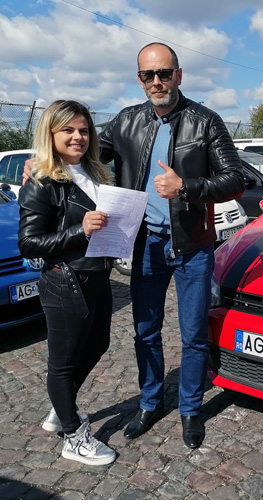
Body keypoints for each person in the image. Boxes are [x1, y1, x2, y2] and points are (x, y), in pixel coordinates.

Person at [98, 42, 244, 448]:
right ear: (139, 79)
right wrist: (48, 161)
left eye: (164, 73)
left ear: (179, 75)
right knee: (145, 331)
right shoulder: (125, 121)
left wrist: (187, 187)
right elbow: (85, 153)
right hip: (145, 243)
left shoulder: (205, 121)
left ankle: (191, 409)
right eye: (149, 75)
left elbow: (235, 180)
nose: (157, 81)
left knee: (194, 334)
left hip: (192, 247)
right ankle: (150, 403)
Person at [18, 100, 116, 466]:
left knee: (99, 344)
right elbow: (29, 243)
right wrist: (80, 230)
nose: (78, 137)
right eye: (68, 130)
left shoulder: (97, 173)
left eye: (84, 130)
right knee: (62, 363)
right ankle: (73, 436)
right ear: (51, 133)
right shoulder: (41, 181)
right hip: (65, 281)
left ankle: (62, 409)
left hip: (98, 276)